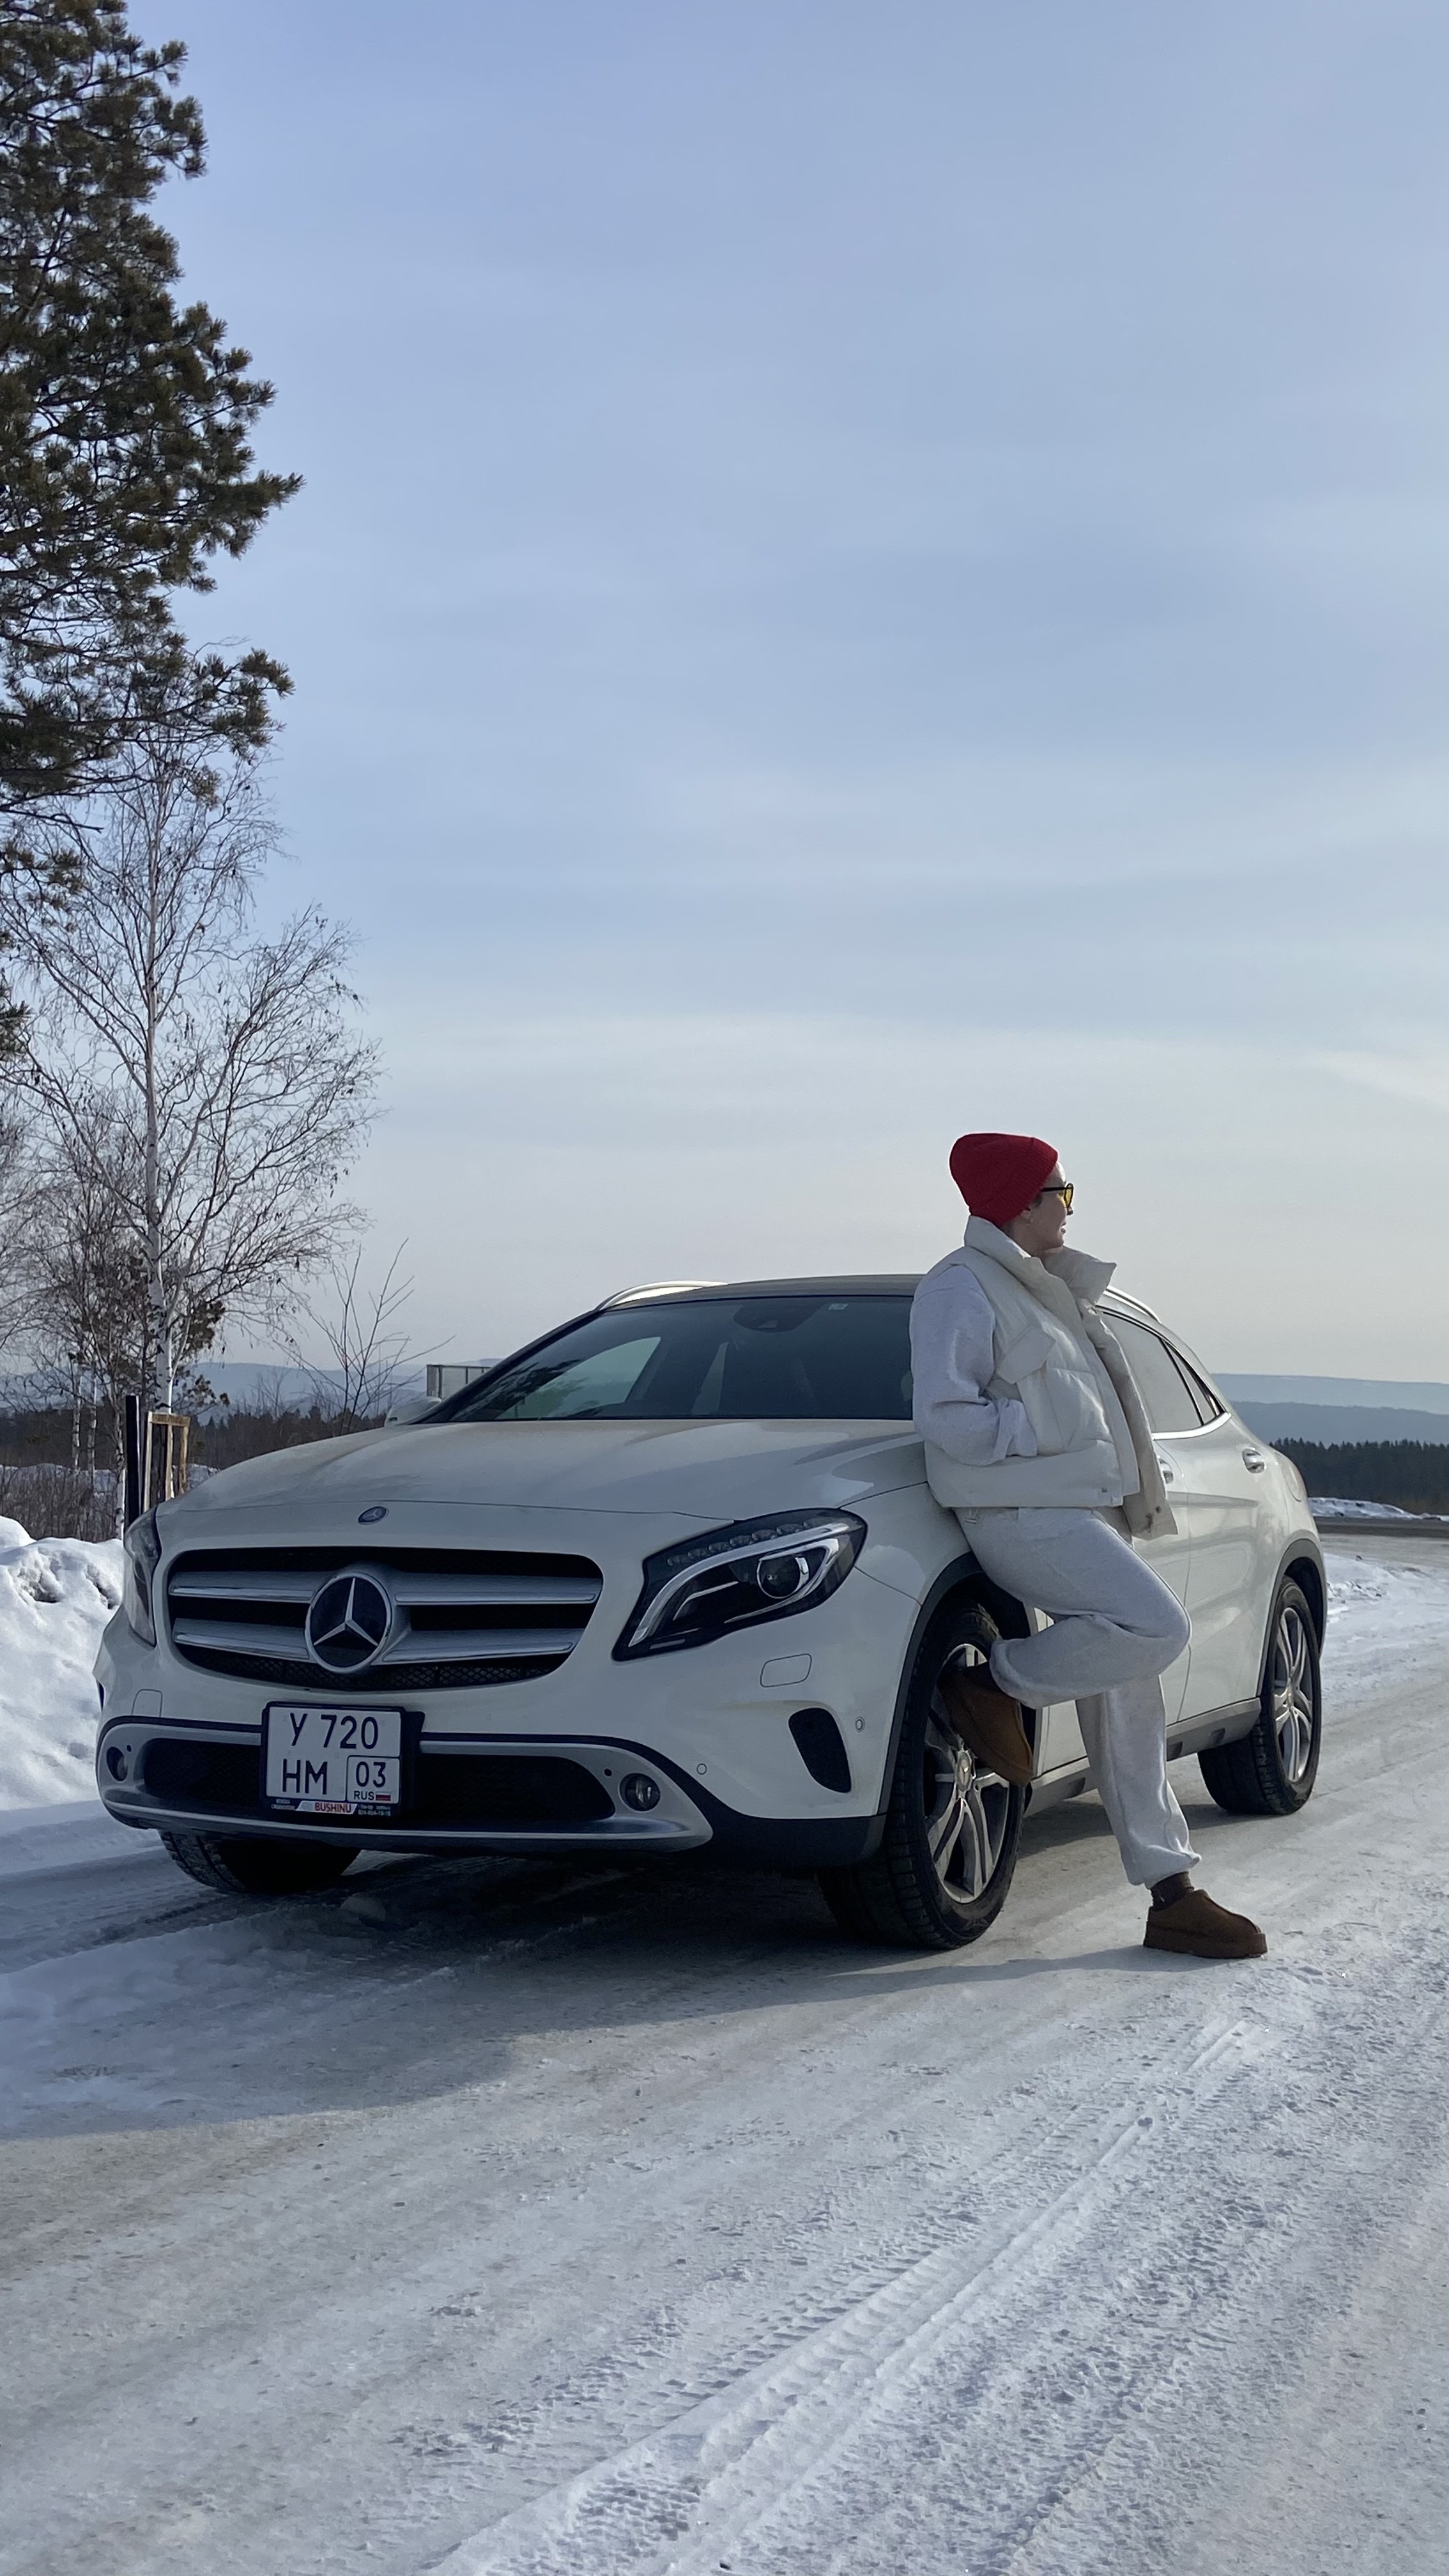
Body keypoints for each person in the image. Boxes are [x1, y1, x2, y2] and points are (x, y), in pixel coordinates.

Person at [909, 1130, 1267, 1960]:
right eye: (1057, 1194)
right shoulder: (961, 1288)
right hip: (1023, 1514)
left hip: (1078, 1510)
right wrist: (1047, 1426)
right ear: (1015, 1203)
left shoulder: (1045, 1294)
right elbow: (946, 1417)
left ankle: (1170, 1892)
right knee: (1156, 1630)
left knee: (1129, 1684)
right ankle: (991, 1685)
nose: (1069, 1209)